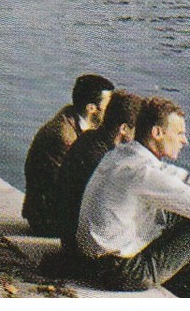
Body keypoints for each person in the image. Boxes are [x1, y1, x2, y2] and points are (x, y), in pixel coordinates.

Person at [76, 97, 190, 296]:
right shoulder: (145, 173)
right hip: (118, 272)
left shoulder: (123, 154)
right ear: (157, 133)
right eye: (180, 133)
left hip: (91, 261)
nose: (185, 140)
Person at [23, 73, 115, 235]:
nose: (110, 112)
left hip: (55, 208)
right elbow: (70, 187)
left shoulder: (74, 120)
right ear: (91, 108)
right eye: (108, 106)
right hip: (49, 219)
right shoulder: (64, 137)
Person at [55, 89, 144, 256]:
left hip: (69, 237)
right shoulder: (108, 159)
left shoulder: (87, 139)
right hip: (85, 247)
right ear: (123, 129)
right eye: (137, 130)